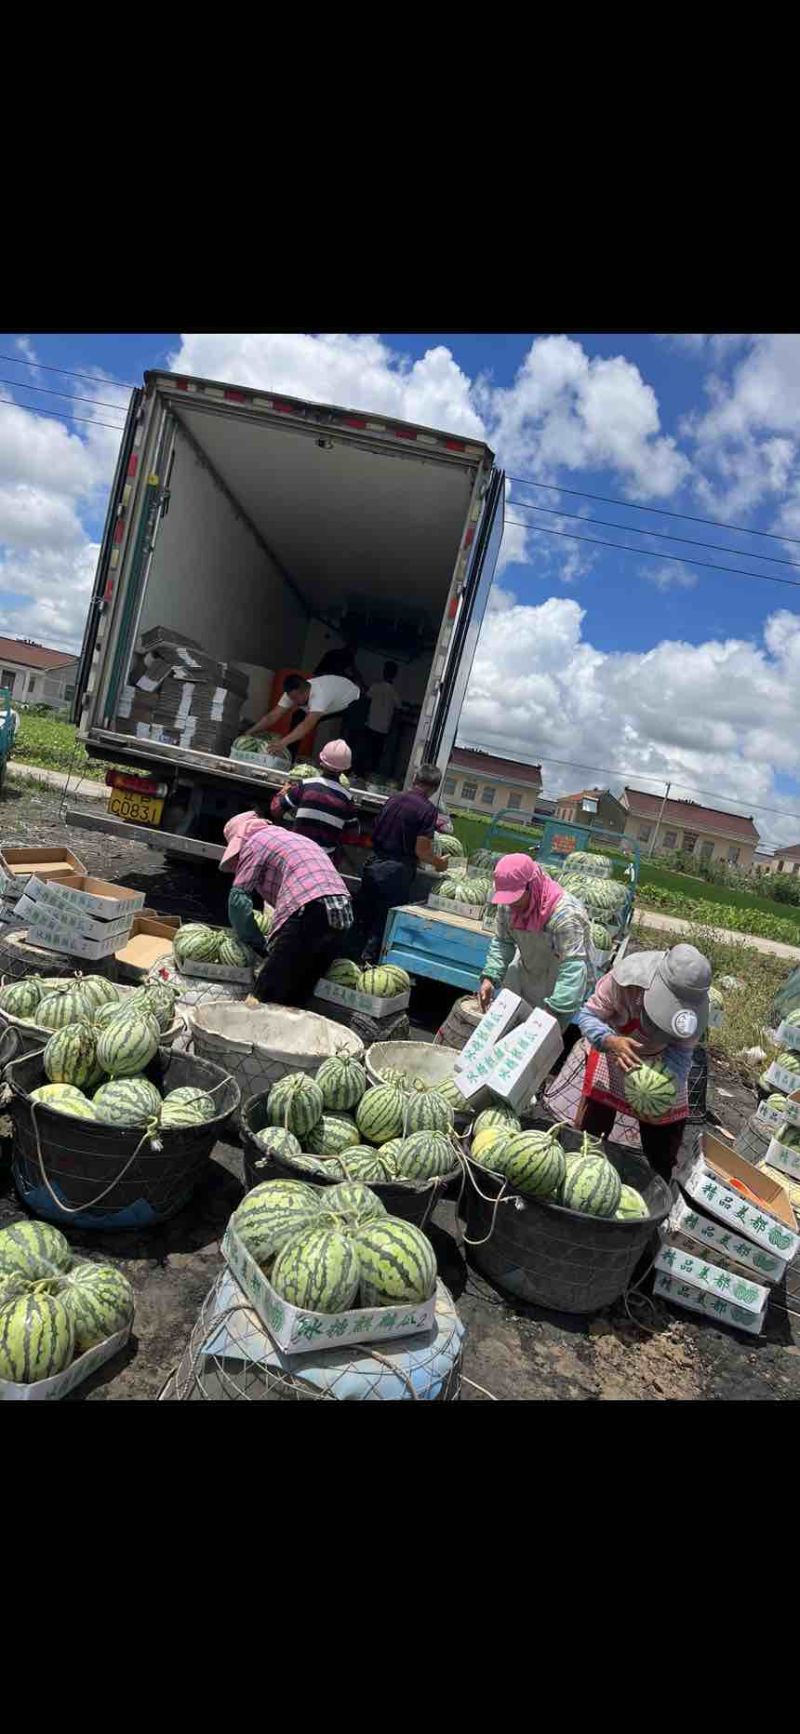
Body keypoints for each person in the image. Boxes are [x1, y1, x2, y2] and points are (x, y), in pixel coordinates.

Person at [573, 943, 711, 1180]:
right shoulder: (624, 980)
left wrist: (663, 1089)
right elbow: (587, 1016)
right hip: (613, 1052)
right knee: (592, 1128)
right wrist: (609, 1040)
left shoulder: (694, 1012)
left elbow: (681, 1054)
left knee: (662, 1140)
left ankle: (657, 1182)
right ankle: (580, 1168)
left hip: (662, 1063)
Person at [223, 815, 353, 1007]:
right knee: (299, 993)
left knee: (265, 992)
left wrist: (255, 941)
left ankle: (254, 1032)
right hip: (342, 911)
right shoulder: (289, 838)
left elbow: (238, 900)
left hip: (309, 907)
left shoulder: (255, 842)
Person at [479, 855, 593, 1027]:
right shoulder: (507, 906)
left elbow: (573, 968)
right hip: (528, 972)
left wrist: (554, 1011)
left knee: (539, 1042)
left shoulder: (565, 915)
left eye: (515, 897)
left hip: (561, 983)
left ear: (532, 886)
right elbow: (503, 942)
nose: (511, 904)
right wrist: (490, 977)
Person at [356, 761, 449, 963]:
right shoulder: (428, 810)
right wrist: (439, 863)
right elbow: (421, 850)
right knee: (382, 923)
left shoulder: (393, 798)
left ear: (415, 779)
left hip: (374, 863)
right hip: (396, 871)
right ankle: (366, 966)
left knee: (362, 917)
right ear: (434, 788)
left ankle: (347, 959)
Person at [269, 739, 359, 859]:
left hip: (296, 854)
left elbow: (276, 810)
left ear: (321, 761)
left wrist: (284, 790)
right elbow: (352, 835)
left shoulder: (306, 785)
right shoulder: (347, 798)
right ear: (345, 768)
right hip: (323, 860)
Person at [244, 671, 360, 761]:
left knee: (350, 735)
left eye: (295, 698)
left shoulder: (319, 695)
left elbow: (307, 725)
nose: (292, 701)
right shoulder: (292, 694)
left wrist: (282, 743)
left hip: (353, 700)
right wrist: (249, 732)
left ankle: (349, 772)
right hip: (332, 701)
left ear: (304, 691)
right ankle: (290, 758)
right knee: (298, 716)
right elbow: (272, 716)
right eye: (291, 698)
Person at [362, 661, 400, 775]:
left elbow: (366, 699)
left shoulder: (375, 687)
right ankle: (371, 775)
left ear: (384, 672)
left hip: (370, 725)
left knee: (365, 752)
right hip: (383, 729)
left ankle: (361, 774)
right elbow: (399, 709)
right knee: (376, 755)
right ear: (395, 675)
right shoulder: (394, 693)